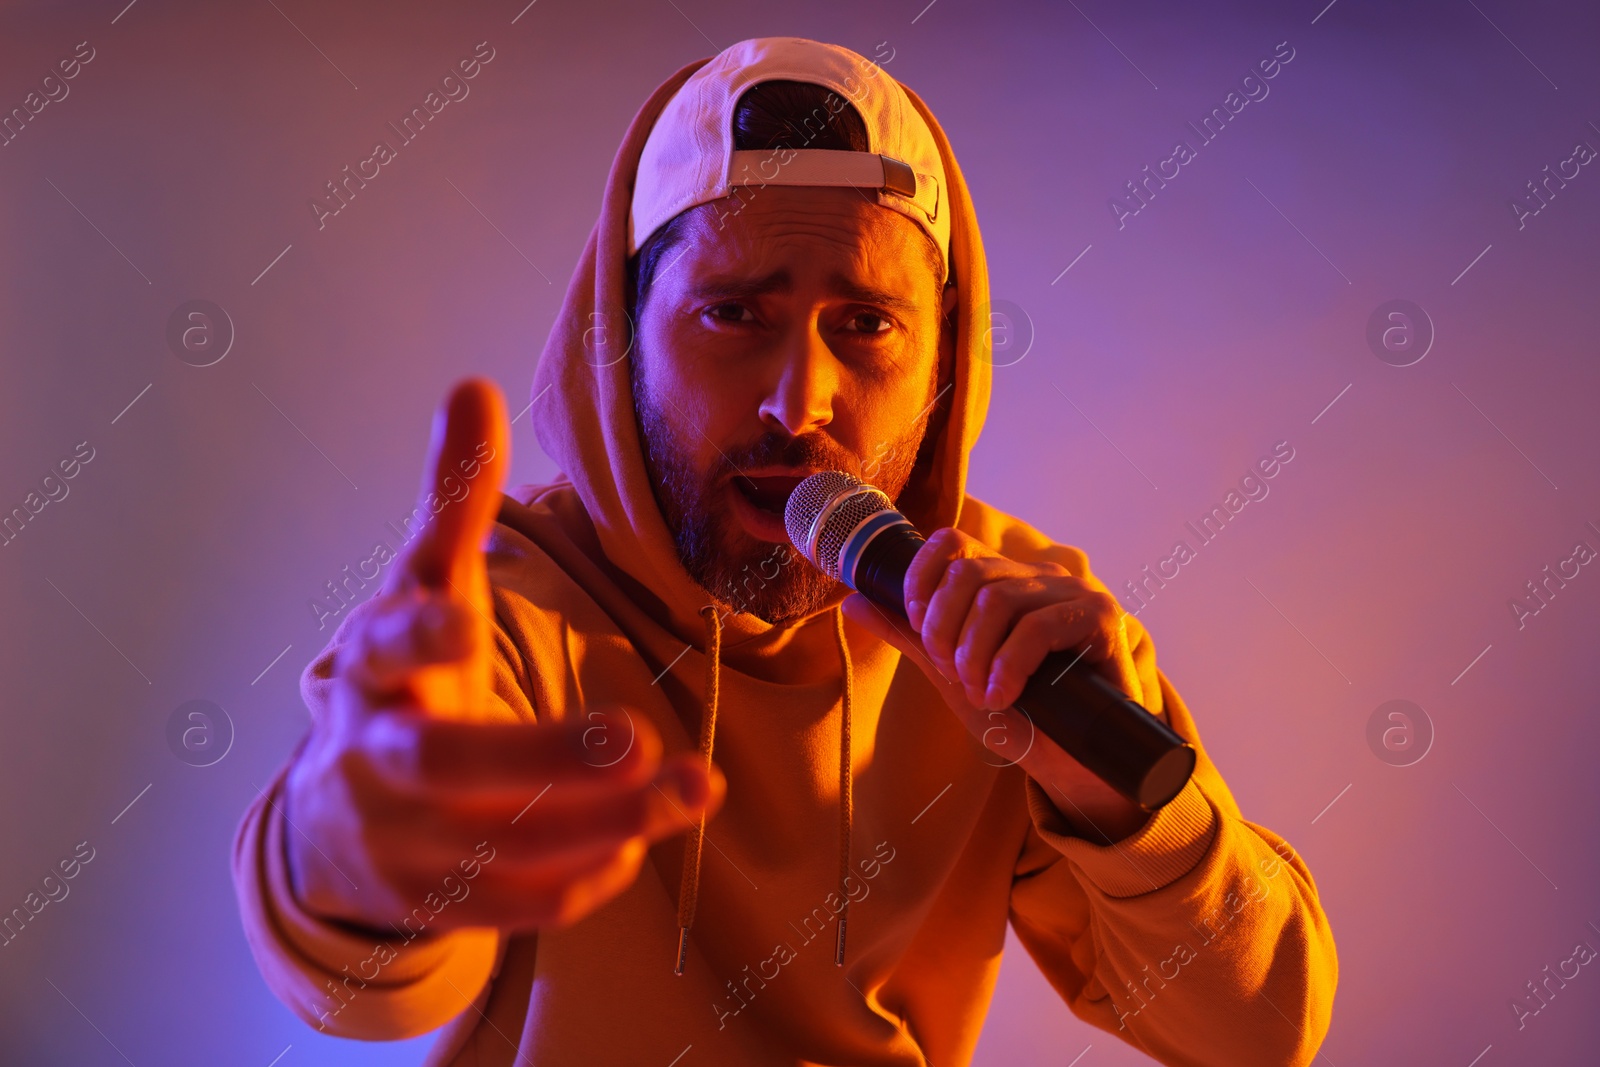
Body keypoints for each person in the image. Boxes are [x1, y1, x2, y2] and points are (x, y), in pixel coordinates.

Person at [232, 35, 1337, 1067]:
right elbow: (363, 980)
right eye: (732, 313)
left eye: (864, 324)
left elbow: (1258, 1030)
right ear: (623, 340)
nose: (797, 398)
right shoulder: (504, 615)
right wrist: (343, 863)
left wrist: (1118, 803)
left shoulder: (1006, 624)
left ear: (942, 362)